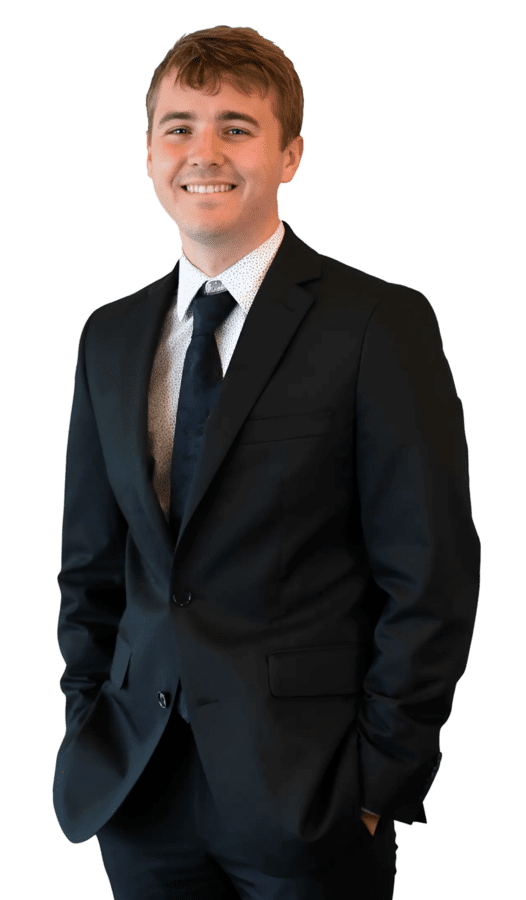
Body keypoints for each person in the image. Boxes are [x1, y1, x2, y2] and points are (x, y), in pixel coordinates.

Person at [52, 24, 481, 900]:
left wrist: (379, 780)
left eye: (237, 128)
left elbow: (429, 573)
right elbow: (91, 566)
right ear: (148, 154)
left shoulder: (378, 324)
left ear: (290, 155)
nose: (203, 152)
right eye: (178, 127)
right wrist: (89, 717)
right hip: (139, 791)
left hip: (312, 796)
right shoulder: (111, 336)